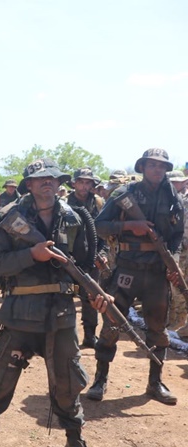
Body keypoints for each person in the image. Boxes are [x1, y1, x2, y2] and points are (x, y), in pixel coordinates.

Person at [0, 158, 108, 447]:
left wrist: (96, 293)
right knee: (0, 379)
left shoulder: (73, 218)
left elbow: (83, 267)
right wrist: (31, 254)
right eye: (40, 178)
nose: (47, 183)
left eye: (53, 178)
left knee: (68, 381)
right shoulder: (9, 217)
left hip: (61, 315)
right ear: (29, 184)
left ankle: (74, 439)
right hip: (19, 313)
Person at [89, 148, 184, 405]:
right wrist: (130, 226)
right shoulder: (124, 194)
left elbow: (176, 238)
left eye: (162, 166)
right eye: (152, 165)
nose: (157, 170)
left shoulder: (173, 198)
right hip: (127, 270)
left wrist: (172, 262)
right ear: (142, 167)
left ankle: (155, 383)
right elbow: (99, 225)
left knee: (158, 329)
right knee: (111, 324)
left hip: (156, 273)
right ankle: (100, 380)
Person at [66, 168, 105, 350]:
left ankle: (90, 336)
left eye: (88, 182)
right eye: (81, 182)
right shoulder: (64, 203)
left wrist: (102, 253)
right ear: (74, 183)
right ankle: (65, 337)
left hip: (92, 259)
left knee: (92, 298)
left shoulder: (98, 203)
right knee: (63, 297)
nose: (84, 185)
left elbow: (104, 231)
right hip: (68, 260)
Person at [166, 170, 188, 338]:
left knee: (181, 284)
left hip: (185, 249)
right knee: (173, 284)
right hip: (175, 248)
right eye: (172, 182)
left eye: (178, 182)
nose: (175, 185)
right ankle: (174, 317)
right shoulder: (169, 200)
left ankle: (181, 319)